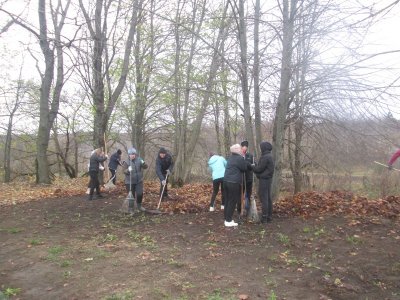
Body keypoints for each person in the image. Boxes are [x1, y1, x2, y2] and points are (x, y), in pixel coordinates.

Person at [223, 144, 252, 227]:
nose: (241, 149)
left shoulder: (230, 158)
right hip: (234, 182)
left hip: (226, 181)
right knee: (232, 201)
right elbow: (244, 168)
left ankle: (226, 218)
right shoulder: (239, 158)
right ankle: (228, 221)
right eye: (239, 148)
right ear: (236, 150)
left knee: (228, 200)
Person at [252, 141, 274, 223]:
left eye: (261, 147)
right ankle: (269, 216)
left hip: (264, 180)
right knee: (268, 198)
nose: (260, 148)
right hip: (267, 179)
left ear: (263, 148)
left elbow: (259, 169)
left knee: (264, 198)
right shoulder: (268, 156)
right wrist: (256, 165)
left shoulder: (266, 157)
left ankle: (264, 217)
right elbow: (262, 168)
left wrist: (253, 166)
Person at [239, 140, 254, 215]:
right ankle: (240, 209)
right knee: (241, 194)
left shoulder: (250, 156)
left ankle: (248, 209)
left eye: (246, 147)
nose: (245, 149)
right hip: (241, 178)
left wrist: (249, 164)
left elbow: (252, 166)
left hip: (248, 178)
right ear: (241, 148)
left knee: (248, 194)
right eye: (243, 147)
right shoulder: (239, 156)